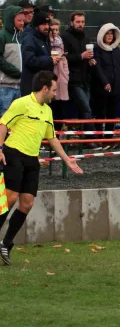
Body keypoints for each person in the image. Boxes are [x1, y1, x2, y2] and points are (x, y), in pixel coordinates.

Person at [0, 71, 83, 266]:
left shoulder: (47, 111)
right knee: (10, 197)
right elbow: (3, 124)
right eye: (54, 90)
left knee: (27, 204)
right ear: (44, 88)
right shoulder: (21, 103)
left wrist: (66, 160)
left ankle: (6, 243)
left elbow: (52, 137)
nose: (55, 93)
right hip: (13, 153)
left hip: (32, 160)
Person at [92, 23, 120, 149]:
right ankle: (99, 139)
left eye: (111, 33)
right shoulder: (97, 49)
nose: (109, 36)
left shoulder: (116, 49)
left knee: (112, 115)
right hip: (100, 88)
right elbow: (97, 68)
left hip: (116, 88)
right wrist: (104, 82)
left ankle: (108, 139)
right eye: (107, 33)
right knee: (100, 114)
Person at [62, 11, 93, 123]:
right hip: (73, 80)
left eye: (82, 22)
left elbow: (86, 57)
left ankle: (84, 137)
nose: (80, 24)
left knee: (83, 111)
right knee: (87, 109)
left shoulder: (86, 37)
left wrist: (90, 61)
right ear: (72, 23)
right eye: (78, 22)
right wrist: (80, 56)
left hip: (85, 79)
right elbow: (64, 58)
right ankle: (90, 137)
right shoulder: (65, 37)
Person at [21, 12, 58, 96]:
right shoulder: (29, 39)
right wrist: (50, 60)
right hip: (31, 88)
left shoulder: (43, 38)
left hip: (42, 87)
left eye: (48, 24)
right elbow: (29, 60)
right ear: (36, 26)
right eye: (43, 24)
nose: (46, 27)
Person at [0, 5, 25, 116]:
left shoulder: (21, 37)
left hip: (19, 86)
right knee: (4, 118)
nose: (22, 23)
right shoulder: (2, 36)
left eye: (23, 20)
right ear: (10, 20)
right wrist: (14, 72)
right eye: (19, 20)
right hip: (5, 86)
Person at [48, 19, 69, 121]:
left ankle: (59, 132)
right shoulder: (46, 42)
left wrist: (66, 74)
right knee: (52, 105)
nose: (55, 32)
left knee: (62, 106)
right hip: (51, 75)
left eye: (57, 29)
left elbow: (64, 59)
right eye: (52, 30)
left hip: (62, 76)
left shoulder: (60, 41)